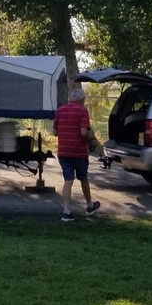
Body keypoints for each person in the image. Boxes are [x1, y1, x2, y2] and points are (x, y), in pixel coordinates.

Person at [52, 87, 100, 222]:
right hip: (78, 152)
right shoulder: (83, 111)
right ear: (82, 100)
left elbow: (55, 132)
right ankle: (90, 206)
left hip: (63, 152)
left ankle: (66, 211)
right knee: (83, 178)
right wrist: (90, 141)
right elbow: (84, 132)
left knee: (68, 179)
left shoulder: (60, 110)